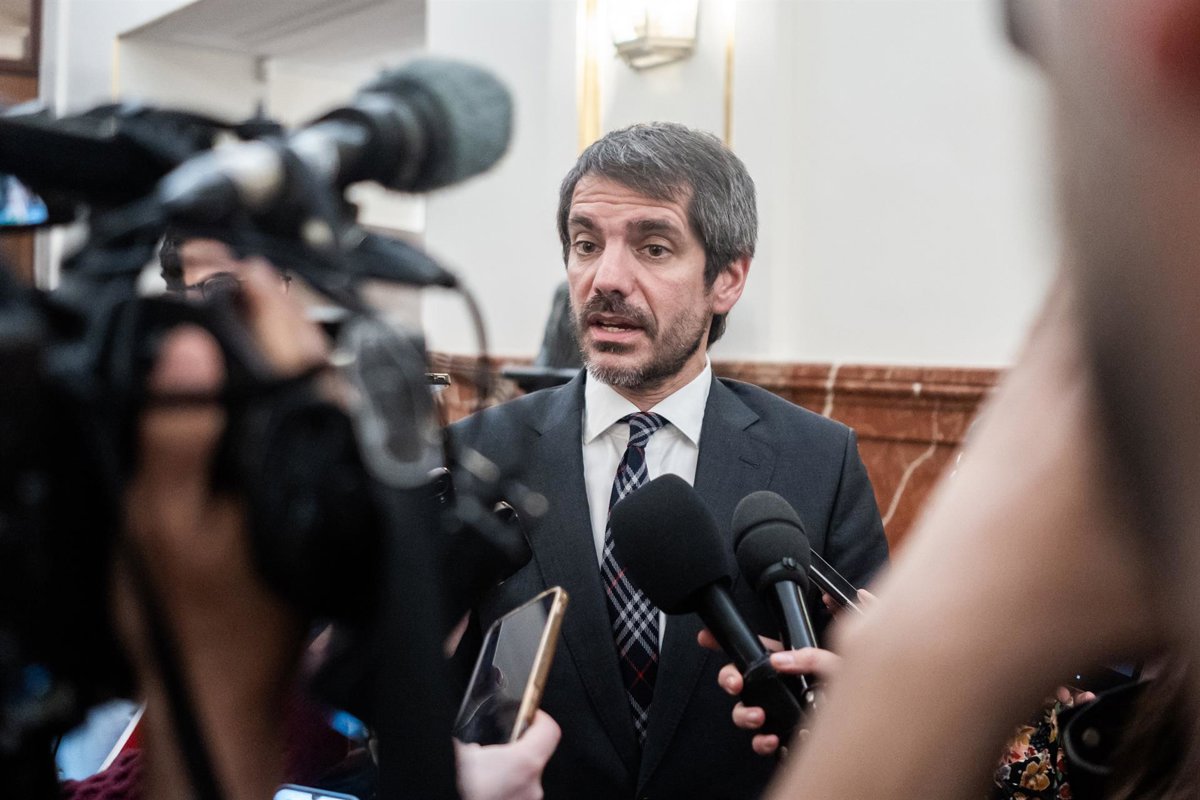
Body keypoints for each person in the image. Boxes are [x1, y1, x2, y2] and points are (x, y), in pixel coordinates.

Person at [452, 121, 889, 799]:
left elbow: (878, 680)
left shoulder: (819, 460)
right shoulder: (478, 453)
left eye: (653, 248)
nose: (606, 279)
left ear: (727, 279)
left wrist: (852, 701)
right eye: (586, 244)